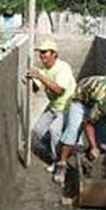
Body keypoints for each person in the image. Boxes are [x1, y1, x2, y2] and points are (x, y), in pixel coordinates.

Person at [26, 40, 76, 172]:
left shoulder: (63, 68)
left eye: (45, 52)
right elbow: (36, 89)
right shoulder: (43, 70)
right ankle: (58, 151)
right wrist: (30, 81)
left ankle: (57, 162)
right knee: (38, 129)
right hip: (54, 105)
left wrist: (40, 77)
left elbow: (59, 90)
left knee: (54, 131)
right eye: (40, 53)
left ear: (54, 54)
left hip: (66, 106)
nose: (42, 56)